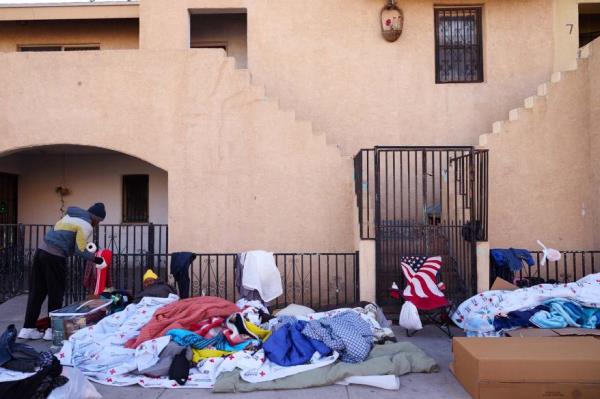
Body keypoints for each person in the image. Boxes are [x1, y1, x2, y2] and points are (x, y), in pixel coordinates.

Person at [18, 203, 107, 341]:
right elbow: (80, 249)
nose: (97, 224)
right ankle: (51, 330)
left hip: (40, 252)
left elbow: (65, 239)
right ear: (95, 217)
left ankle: (27, 329)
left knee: (37, 291)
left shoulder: (69, 216)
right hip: (55, 257)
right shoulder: (86, 225)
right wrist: (97, 260)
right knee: (56, 293)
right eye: (99, 221)